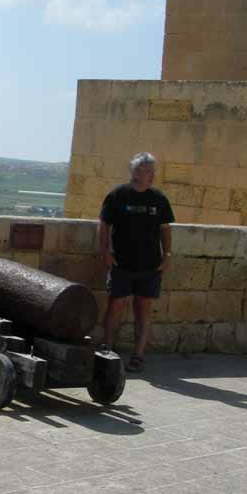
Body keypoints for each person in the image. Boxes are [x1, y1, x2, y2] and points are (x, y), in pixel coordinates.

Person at [98, 152, 174, 373]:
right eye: (141, 170)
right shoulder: (117, 195)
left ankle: (138, 355)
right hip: (121, 262)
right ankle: (108, 349)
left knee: (143, 310)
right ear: (133, 172)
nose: (146, 174)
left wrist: (167, 255)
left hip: (150, 265)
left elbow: (165, 229)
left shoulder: (159, 199)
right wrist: (104, 251)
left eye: (149, 171)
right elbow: (104, 224)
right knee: (115, 306)